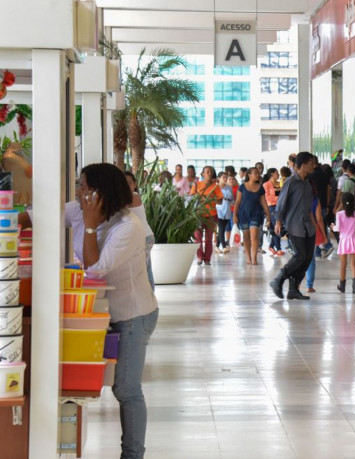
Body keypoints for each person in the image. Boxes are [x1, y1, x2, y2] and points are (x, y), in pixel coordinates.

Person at [22, 163, 158, 458]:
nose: (79, 191)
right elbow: (37, 217)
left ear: (99, 192)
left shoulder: (127, 227)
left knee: (126, 389)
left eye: (83, 186)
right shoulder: (80, 209)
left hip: (133, 315)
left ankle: (132, 455)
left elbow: (95, 268)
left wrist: (92, 223)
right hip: (105, 310)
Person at [271, 152, 317, 300]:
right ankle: (278, 279)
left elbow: (309, 207)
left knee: (307, 258)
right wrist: (278, 222)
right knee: (300, 256)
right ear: (302, 164)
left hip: (308, 227)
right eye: (311, 163)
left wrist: (314, 224)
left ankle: (293, 289)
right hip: (294, 225)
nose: (313, 166)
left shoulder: (308, 183)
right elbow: (281, 203)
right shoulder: (291, 182)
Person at [123, 171, 155, 290]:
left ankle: (148, 296)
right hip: (143, 237)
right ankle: (150, 296)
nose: (127, 186)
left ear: (135, 184)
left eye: (130, 183)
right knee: (146, 269)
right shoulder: (128, 196)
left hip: (144, 237)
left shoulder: (133, 196)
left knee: (142, 269)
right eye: (124, 183)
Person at [233, 167, 272, 265]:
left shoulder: (260, 187)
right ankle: (248, 257)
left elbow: (264, 202)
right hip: (243, 214)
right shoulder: (242, 186)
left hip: (256, 214)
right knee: (246, 237)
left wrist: (268, 216)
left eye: (258, 173)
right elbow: (237, 202)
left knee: (254, 236)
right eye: (255, 173)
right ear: (249, 175)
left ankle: (254, 258)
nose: (257, 175)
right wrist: (234, 215)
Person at [189, 166, 223, 265]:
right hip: (198, 215)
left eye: (211, 172)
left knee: (209, 239)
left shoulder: (216, 186)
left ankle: (207, 259)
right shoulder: (196, 185)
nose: (209, 173)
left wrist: (211, 199)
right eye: (207, 172)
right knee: (197, 238)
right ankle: (199, 257)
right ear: (203, 174)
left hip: (211, 215)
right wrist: (199, 198)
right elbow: (191, 199)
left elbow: (220, 201)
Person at [334, 192, 355, 293]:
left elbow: (337, 228)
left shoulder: (339, 214)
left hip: (343, 241)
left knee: (343, 264)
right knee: (353, 264)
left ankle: (342, 286)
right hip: (353, 240)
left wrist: (331, 227)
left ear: (342, 203)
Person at [263, 168, 283, 256]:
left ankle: (271, 245)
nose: (278, 175)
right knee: (276, 226)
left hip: (280, 207)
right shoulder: (266, 184)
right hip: (271, 207)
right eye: (276, 173)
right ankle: (278, 248)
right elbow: (267, 197)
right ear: (272, 174)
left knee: (279, 226)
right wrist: (279, 199)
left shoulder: (280, 184)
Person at [215, 172, 234, 254]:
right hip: (219, 208)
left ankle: (216, 246)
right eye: (223, 177)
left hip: (227, 208)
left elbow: (232, 198)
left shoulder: (229, 188)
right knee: (221, 228)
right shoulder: (216, 187)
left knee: (222, 228)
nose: (225, 179)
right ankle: (223, 246)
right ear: (218, 178)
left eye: (226, 177)